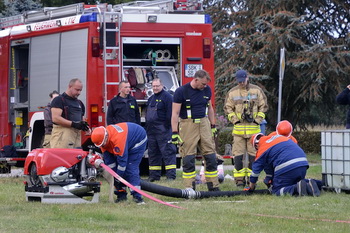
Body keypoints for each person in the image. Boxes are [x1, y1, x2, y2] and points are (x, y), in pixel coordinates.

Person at [171, 69, 220, 191]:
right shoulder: (181, 91)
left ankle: (213, 186)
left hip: (204, 124)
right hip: (188, 124)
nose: (205, 86)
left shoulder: (206, 90)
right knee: (188, 157)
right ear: (196, 79)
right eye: (203, 83)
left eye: (206, 84)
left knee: (210, 156)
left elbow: (210, 109)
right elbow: (175, 113)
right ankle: (189, 187)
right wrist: (174, 132)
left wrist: (213, 126)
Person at [224, 69, 268, 187]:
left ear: (247, 78)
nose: (241, 83)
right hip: (238, 131)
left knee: (253, 157)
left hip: (253, 131)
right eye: (239, 82)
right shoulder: (232, 92)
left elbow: (263, 107)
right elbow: (228, 108)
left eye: (242, 81)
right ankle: (239, 180)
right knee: (238, 156)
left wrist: (257, 121)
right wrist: (235, 121)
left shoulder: (257, 90)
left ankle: (252, 179)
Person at [247, 133, 321, 196]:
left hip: (288, 166)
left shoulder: (262, 148)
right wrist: (268, 180)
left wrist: (251, 187)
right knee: (295, 182)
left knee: (276, 191)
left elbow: (255, 172)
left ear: (256, 145)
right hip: (303, 163)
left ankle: (297, 189)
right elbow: (269, 171)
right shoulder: (278, 137)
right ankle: (317, 184)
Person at [91, 123, 147, 204]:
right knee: (115, 171)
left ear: (106, 137)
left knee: (130, 168)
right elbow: (110, 164)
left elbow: (122, 164)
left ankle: (137, 197)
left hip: (137, 140)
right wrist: (114, 176)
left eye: (103, 144)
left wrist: (117, 177)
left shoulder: (118, 139)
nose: (102, 146)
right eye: (101, 145)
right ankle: (121, 195)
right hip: (126, 140)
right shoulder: (103, 141)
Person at [145, 78, 177, 182]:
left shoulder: (167, 97)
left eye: (157, 86)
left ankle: (171, 176)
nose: (155, 88)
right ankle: (154, 176)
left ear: (162, 86)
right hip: (151, 131)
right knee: (153, 154)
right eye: (153, 86)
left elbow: (170, 114)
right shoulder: (151, 99)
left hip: (164, 130)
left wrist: (168, 127)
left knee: (168, 153)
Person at [50, 78, 89, 148]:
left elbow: (81, 119)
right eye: (77, 90)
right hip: (62, 135)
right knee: (62, 157)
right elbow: (55, 118)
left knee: (75, 157)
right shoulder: (59, 100)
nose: (79, 93)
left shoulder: (80, 103)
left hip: (76, 136)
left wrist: (84, 126)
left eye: (80, 90)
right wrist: (73, 124)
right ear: (69, 87)